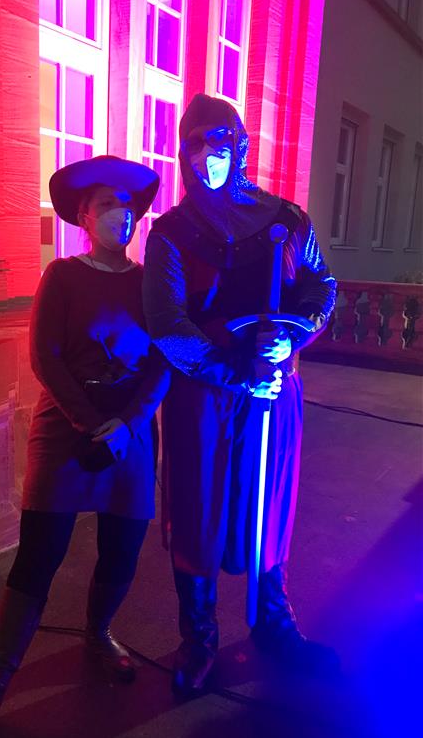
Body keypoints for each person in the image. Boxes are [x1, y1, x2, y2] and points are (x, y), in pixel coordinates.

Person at [0, 155, 169, 723]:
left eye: (128, 207)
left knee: (122, 547)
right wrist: (90, 423)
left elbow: (164, 359)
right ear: (84, 216)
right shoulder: (62, 275)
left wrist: (128, 425)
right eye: (108, 205)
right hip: (68, 424)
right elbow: (45, 356)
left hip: (131, 429)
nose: (122, 215)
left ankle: (99, 634)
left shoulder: (150, 284)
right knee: (41, 551)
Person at [142, 93, 339, 695]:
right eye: (196, 145)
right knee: (197, 507)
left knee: (268, 505)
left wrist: (294, 335)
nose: (209, 157)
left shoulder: (287, 222)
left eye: (220, 142)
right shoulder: (171, 234)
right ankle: (198, 635)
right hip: (203, 396)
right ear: (183, 153)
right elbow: (167, 325)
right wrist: (235, 372)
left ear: (241, 145)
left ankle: (273, 623)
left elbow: (320, 285)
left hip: (272, 392)